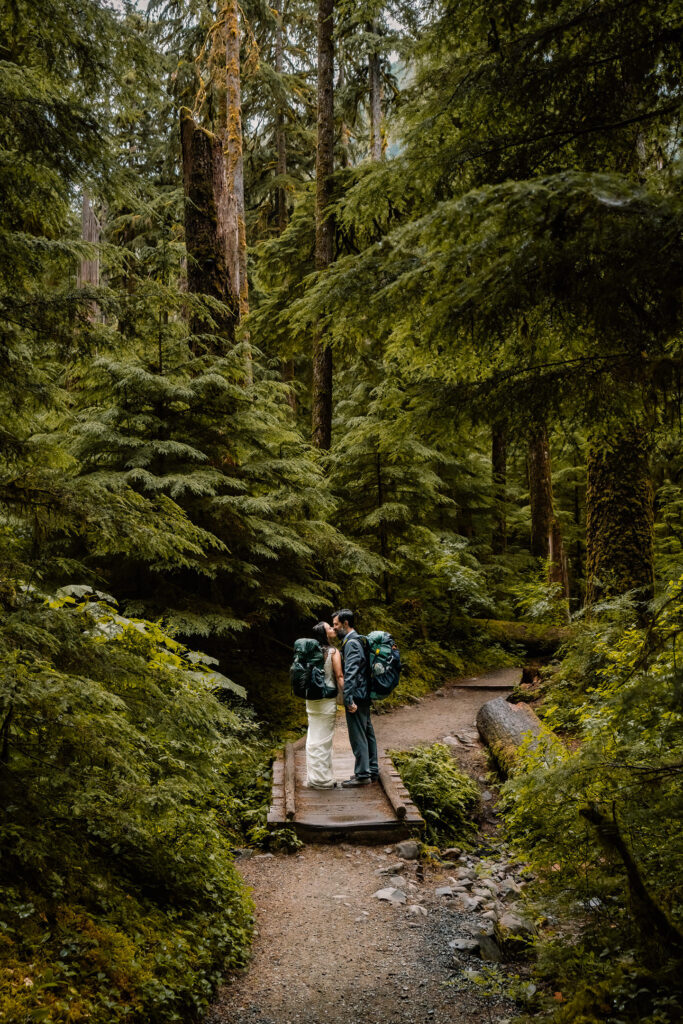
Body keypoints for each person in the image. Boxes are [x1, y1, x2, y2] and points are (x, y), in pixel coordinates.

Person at [332, 608, 379, 787]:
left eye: (336, 624)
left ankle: (362, 774)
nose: (334, 628)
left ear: (345, 623)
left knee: (357, 735)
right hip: (364, 693)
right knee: (368, 732)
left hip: (357, 694)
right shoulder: (358, 639)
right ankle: (372, 770)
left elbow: (351, 672)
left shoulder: (351, 643)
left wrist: (347, 697)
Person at [304, 622, 344, 789]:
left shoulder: (309, 651)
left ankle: (314, 778)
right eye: (329, 628)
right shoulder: (333, 652)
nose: (333, 629)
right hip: (327, 699)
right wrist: (348, 696)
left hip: (311, 700)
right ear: (324, 634)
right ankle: (323, 780)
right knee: (325, 739)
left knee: (313, 737)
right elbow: (339, 675)